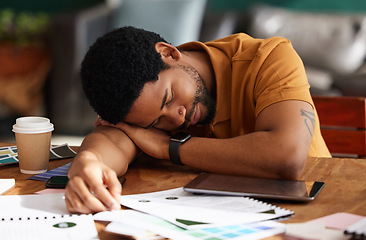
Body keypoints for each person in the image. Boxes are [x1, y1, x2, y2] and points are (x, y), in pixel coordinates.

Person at [65, 26, 331, 214]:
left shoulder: (269, 58)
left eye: (168, 98)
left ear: (169, 53)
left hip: (315, 213)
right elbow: (112, 140)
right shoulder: (143, 106)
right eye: (156, 123)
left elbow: (287, 158)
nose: (176, 118)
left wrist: (169, 147)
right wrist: (89, 162)